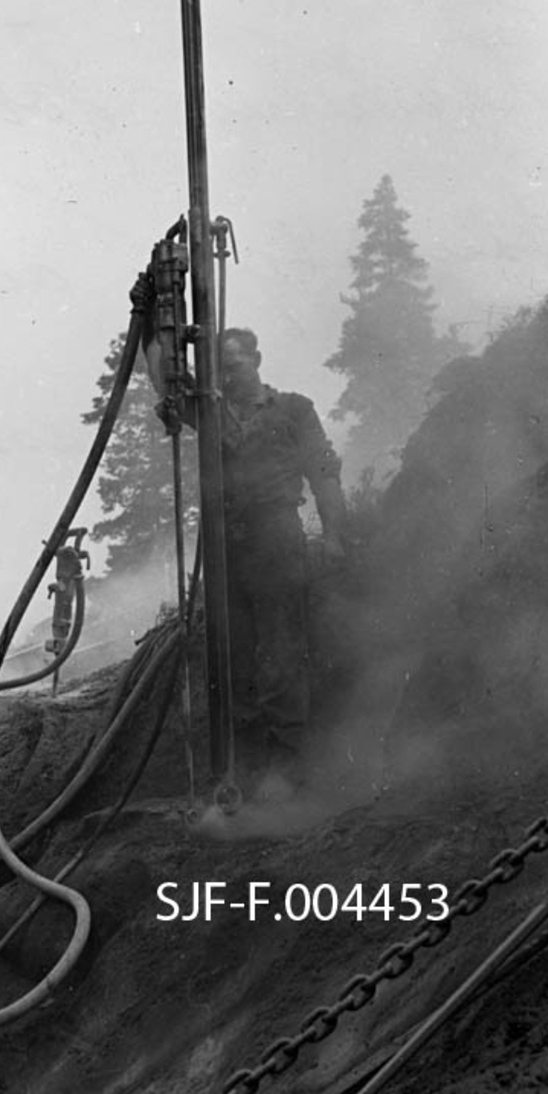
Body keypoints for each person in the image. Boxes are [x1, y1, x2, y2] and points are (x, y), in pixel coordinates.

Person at [217, 327, 347, 795]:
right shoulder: (211, 414)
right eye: (221, 369)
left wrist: (334, 535)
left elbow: (324, 472)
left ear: (256, 358)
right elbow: (165, 386)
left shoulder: (293, 409)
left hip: (276, 535)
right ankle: (248, 771)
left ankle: (287, 769)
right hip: (224, 542)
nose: (228, 376)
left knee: (281, 648)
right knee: (232, 652)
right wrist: (149, 316)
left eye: (235, 364)